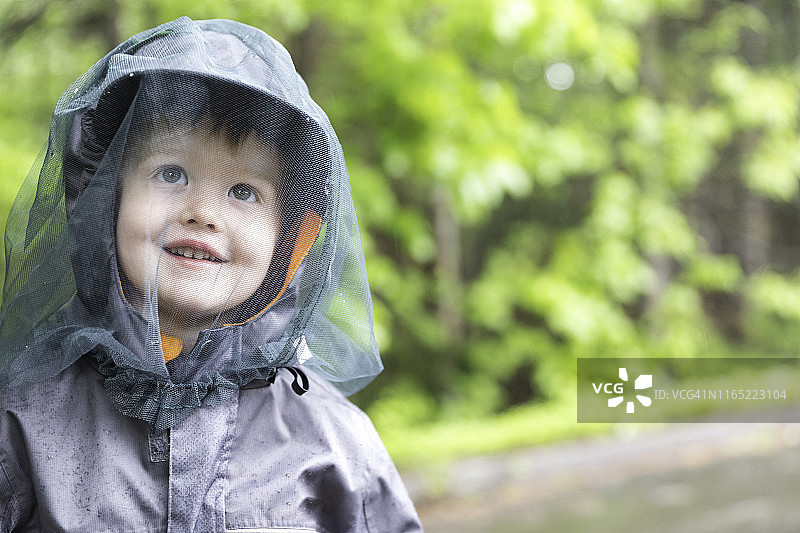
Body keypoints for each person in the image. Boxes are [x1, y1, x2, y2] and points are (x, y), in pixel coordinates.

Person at [0, 17, 423, 532]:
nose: (203, 211)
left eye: (243, 191)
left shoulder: (333, 439)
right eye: (170, 173)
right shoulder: (20, 417)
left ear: (291, 238)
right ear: (106, 201)